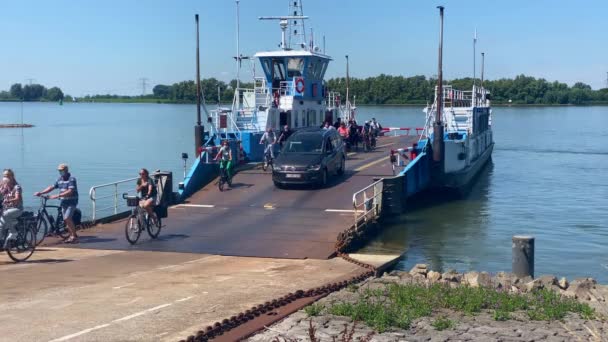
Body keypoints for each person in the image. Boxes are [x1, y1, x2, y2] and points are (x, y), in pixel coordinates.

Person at [35, 164, 79, 243]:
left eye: (62, 170)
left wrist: (57, 195)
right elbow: (51, 187)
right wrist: (41, 192)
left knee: (67, 218)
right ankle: (70, 234)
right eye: (59, 170)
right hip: (63, 202)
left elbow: (70, 191)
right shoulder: (59, 179)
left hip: (72, 202)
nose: (60, 172)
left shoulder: (72, 179)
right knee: (65, 219)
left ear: (66, 170)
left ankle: (74, 236)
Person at [0, 169, 22, 246]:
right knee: (0, 226)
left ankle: (13, 232)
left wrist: (8, 200)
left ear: (12, 176)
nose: (5, 177)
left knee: (5, 215)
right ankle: (2, 244)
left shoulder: (17, 187)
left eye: (7, 176)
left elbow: (17, 198)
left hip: (17, 209)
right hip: (6, 209)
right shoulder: (4, 187)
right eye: (4, 176)